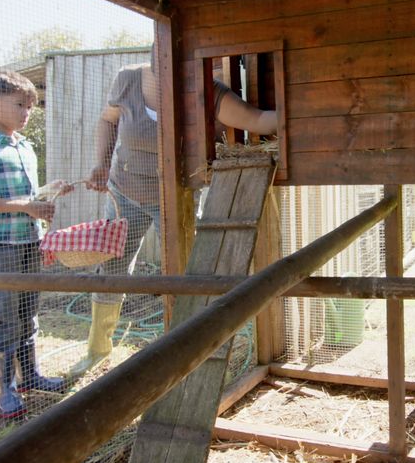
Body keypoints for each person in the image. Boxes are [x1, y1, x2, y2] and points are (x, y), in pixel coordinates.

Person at [68, 55, 277, 377]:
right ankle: (97, 351)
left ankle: (190, 350)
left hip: (173, 197)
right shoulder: (128, 79)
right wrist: (101, 161)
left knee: (184, 270)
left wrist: (315, 111)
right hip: (124, 192)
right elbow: (108, 119)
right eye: (157, 66)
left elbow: (261, 121)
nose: (162, 73)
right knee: (111, 266)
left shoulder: (206, 90)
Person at [0, 70, 72, 418]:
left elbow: (26, 197)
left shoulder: (23, 145)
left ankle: (29, 376)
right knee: (3, 317)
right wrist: (28, 206)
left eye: (30, 107)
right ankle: (5, 390)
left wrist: (48, 192)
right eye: (20, 105)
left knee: (28, 313)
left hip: (29, 240)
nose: (27, 113)